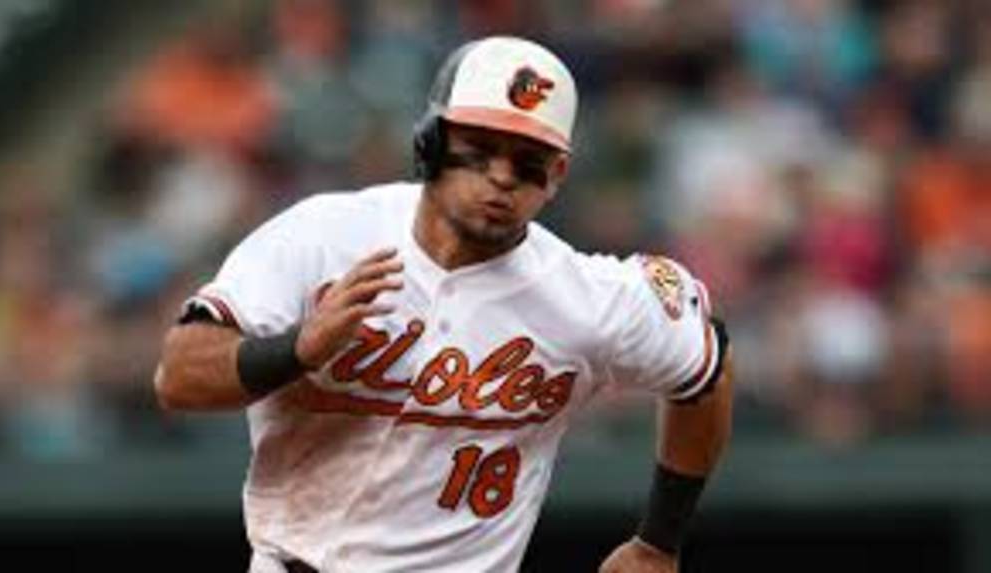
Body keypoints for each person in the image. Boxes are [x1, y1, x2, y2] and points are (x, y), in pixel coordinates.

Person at [154, 35, 733, 573]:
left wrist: (659, 540)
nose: (502, 176)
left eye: (527, 160)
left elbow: (706, 367)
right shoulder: (325, 237)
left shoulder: (584, 296)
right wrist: (295, 351)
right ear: (430, 143)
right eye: (480, 150)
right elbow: (179, 376)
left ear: (557, 173)